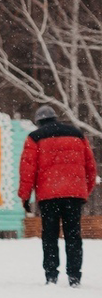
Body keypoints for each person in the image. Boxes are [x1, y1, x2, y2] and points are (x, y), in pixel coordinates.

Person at [19, 104, 98, 287]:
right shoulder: (77, 134)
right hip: (73, 195)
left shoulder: (34, 137)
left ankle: (51, 274)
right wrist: (84, 190)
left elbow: (27, 170)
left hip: (48, 196)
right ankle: (74, 276)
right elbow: (91, 167)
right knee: (73, 235)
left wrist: (25, 197)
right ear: (55, 117)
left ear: (38, 122)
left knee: (50, 235)